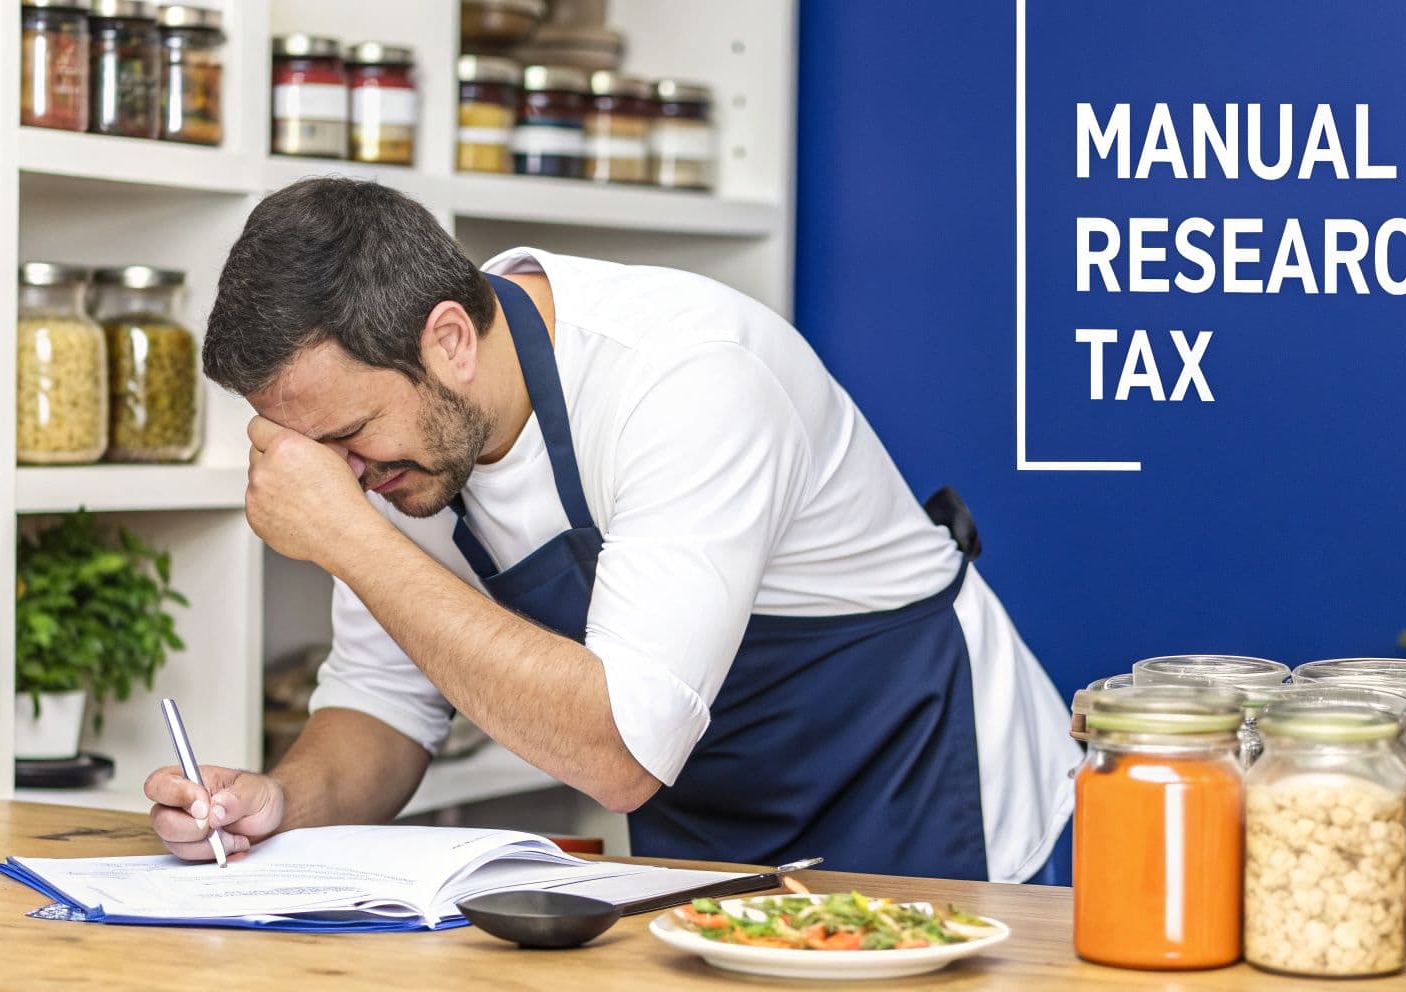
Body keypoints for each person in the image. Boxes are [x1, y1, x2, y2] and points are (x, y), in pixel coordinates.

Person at [143, 178, 1080, 882]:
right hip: (711, 848)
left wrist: (346, 537)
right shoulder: (402, 457)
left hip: (926, 798)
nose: (340, 479)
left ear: (449, 342)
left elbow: (621, 753)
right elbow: (386, 707)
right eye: (314, 457)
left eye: (349, 437)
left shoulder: (684, 378)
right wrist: (281, 803)